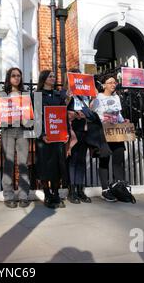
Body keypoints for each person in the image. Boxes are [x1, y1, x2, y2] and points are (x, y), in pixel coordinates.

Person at [34, 70, 68, 208]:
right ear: (44, 79)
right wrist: (42, 134)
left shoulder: (58, 95)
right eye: (50, 76)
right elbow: (36, 117)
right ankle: (47, 194)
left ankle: (56, 194)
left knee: (57, 166)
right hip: (44, 137)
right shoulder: (36, 95)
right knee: (44, 166)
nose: (53, 78)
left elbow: (63, 114)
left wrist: (65, 132)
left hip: (57, 135)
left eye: (54, 76)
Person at [0, 67, 31, 208]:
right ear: (8, 77)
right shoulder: (2, 93)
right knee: (8, 164)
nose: (16, 78)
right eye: (13, 75)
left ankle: (24, 195)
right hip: (8, 131)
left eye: (19, 76)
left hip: (23, 131)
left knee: (23, 164)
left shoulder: (25, 94)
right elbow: (0, 113)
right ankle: (9, 195)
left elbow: (30, 113)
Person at [91, 74, 127, 202]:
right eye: (110, 82)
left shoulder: (117, 97)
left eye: (114, 82)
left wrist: (123, 120)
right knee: (104, 159)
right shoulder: (98, 97)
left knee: (118, 158)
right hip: (104, 131)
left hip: (117, 131)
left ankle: (118, 185)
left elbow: (118, 113)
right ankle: (105, 189)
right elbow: (92, 112)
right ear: (104, 85)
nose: (113, 84)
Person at [66, 69, 91, 204]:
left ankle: (80, 189)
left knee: (82, 160)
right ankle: (72, 190)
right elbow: (63, 111)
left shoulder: (87, 95)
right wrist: (74, 114)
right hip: (73, 130)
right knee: (73, 161)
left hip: (85, 130)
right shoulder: (68, 95)